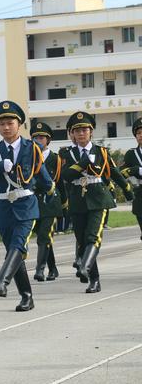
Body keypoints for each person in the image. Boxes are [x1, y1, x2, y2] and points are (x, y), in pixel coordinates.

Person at [0, 101, 54, 311]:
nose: (6, 127)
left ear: (19, 124)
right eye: (2, 124)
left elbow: (43, 177)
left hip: (26, 204)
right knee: (12, 252)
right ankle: (27, 296)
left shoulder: (31, 147)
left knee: (19, 245)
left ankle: (1, 282)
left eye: (10, 123)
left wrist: (51, 192)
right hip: (5, 206)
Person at [61, 111, 133, 293]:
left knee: (94, 236)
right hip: (77, 200)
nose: (81, 133)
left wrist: (127, 189)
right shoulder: (66, 153)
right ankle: (90, 273)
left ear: (91, 131)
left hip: (99, 199)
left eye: (84, 129)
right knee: (82, 239)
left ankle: (88, 272)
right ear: (72, 134)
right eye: (77, 130)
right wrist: (83, 163)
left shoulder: (101, 151)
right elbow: (66, 176)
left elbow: (114, 172)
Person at [30, 122, 67, 282]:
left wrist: (64, 205)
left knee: (44, 236)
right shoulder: (28, 156)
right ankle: (53, 268)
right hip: (33, 201)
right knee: (43, 237)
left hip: (50, 201)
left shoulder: (55, 159)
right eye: (36, 137)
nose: (39, 140)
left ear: (48, 140)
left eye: (42, 137)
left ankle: (40, 269)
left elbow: (59, 183)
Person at [122, 116, 142, 239]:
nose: (141, 135)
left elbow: (133, 170)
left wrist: (137, 170)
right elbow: (122, 172)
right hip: (140, 193)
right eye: (138, 133)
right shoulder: (131, 154)